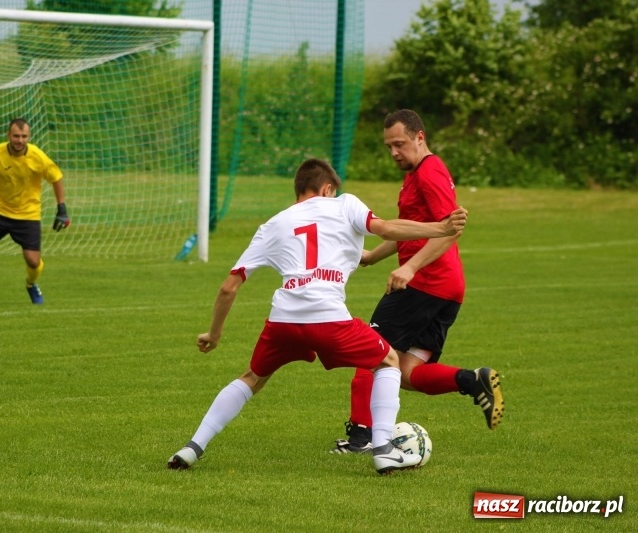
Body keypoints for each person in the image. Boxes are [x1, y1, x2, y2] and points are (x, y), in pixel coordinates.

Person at [167, 158, 468, 474]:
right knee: (389, 360)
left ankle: (192, 447)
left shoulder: (274, 224)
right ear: (327, 188)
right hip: (329, 319)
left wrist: (213, 335)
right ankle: (383, 450)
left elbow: (229, 287)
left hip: (283, 321)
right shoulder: (344, 204)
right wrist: (442, 228)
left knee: (251, 378)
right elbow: (387, 228)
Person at [331, 109, 504, 455]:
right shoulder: (415, 176)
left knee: (371, 353)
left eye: (400, 144)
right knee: (407, 372)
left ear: (419, 137)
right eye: (388, 146)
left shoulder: (430, 173)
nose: (394, 152)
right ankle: (473, 381)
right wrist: (370, 257)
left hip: (426, 283)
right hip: (446, 288)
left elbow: (449, 230)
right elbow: (412, 229)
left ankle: (361, 438)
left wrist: (409, 269)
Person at [0, 117, 70, 305]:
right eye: (16, 136)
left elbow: (56, 178)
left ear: (29, 136)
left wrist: (62, 209)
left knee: (33, 261)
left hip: (28, 214)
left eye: (24, 136)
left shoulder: (38, 156)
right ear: (8, 135)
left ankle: (31, 284)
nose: (20, 140)